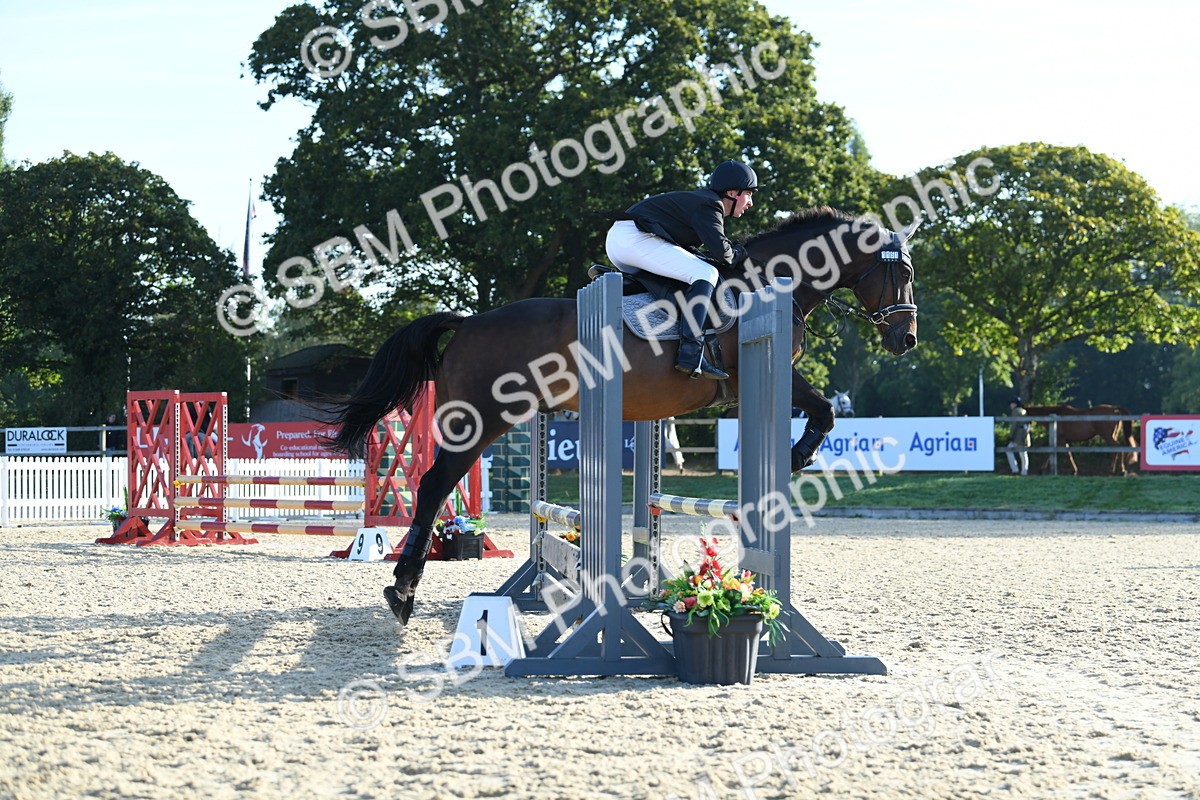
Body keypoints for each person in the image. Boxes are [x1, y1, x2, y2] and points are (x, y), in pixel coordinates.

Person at [604, 160, 759, 380]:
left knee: (687, 274)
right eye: (749, 194)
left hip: (623, 242)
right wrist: (742, 252)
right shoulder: (711, 205)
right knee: (706, 273)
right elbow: (724, 254)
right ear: (732, 193)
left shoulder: (703, 202)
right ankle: (691, 352)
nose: (751, 202)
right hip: (634, 239)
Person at [1007, 397, 1030, 476]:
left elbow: (1014, 424)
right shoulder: (1024, 411)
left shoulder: (1015, 411)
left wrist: (1011, 435)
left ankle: (1015, 469)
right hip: (1025, 434)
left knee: (1008, 449)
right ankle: (1024, 471)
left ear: (1015, 404)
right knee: (1023, 453)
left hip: (1018, 435)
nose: (1010, 405)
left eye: (1011, 403)